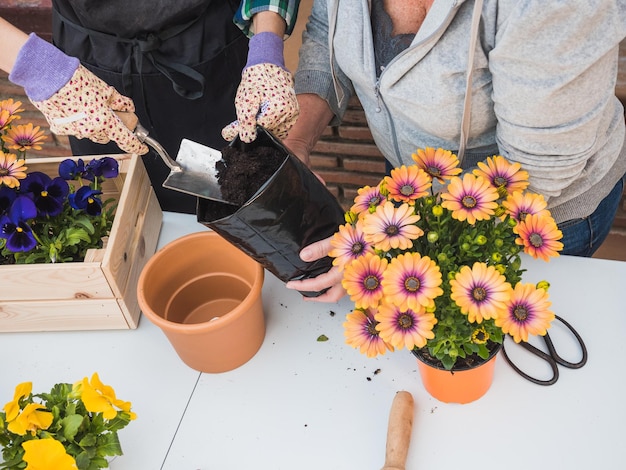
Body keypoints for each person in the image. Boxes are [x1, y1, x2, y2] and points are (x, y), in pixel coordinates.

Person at [283, 0, 626, 302]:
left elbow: (536, 167)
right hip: (418, 188)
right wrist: (297, 142)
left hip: (540, 214)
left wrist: (380, 237)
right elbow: (328, 27)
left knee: (516, 347)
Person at [1, 0, 300, 213]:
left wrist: (266, 47)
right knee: (118, 208)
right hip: (83, 73)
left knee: (238, 196)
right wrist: (41, 71)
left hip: (208, 47)